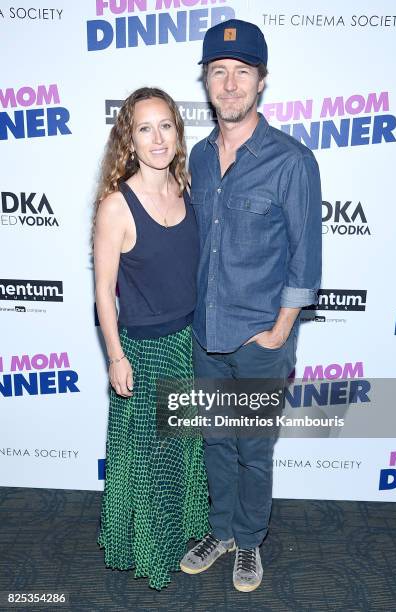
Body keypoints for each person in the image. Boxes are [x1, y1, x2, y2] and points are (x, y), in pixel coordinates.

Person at [180, 19, 322, 592]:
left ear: (261, 82)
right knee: (216, 439)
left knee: (254, 451)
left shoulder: (291, 160)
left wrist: (279, 331)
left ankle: (251, 539)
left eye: (243, 72)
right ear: (207, 81)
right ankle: (222, 531)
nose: (230, 83)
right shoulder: (197, 156)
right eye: (220, 72)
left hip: (260, 340)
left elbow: (305, 261)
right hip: (205, 333)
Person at [93, 87, 209, 590]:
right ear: (129, 140)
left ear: (177, 133)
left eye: (166, 125)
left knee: (185, 452)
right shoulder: (117, 206)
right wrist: (116, 357)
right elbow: (102, 292)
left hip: (190, 343)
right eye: (145, 128)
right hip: (142, 350)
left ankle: (183, 533)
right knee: (147, 462)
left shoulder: (188, 189)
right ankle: (149, 551)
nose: (158, 137)